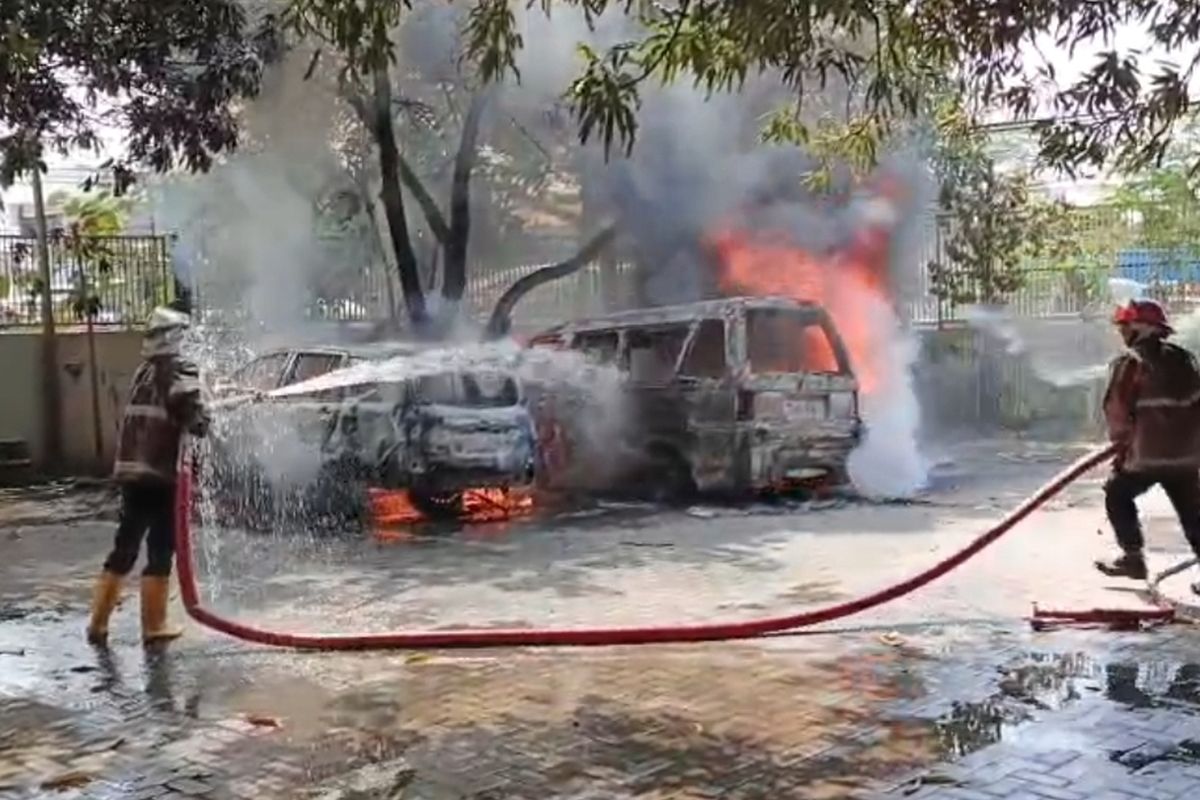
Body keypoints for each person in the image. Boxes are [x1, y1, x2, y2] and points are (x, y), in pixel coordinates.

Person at [86, 306, 211, 646]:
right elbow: (191, 412)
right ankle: (153, 625)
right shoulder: (179, 368)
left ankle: (98, 622)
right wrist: (205, 418)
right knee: (160, 548)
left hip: (132, 473)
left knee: (124, 547)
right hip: (160, 476)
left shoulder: (145, 370)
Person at [1096, 299, 1200, 594]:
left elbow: (1116, 410)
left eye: (1126, 325)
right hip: (1186, 457)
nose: (1122, 331)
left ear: (1142, 327)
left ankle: (1133, 559)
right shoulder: (1185, 360)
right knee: (1193, 513)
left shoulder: (1131, 362)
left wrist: (1120, 449)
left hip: (1146, 456)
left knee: (1116, 494)